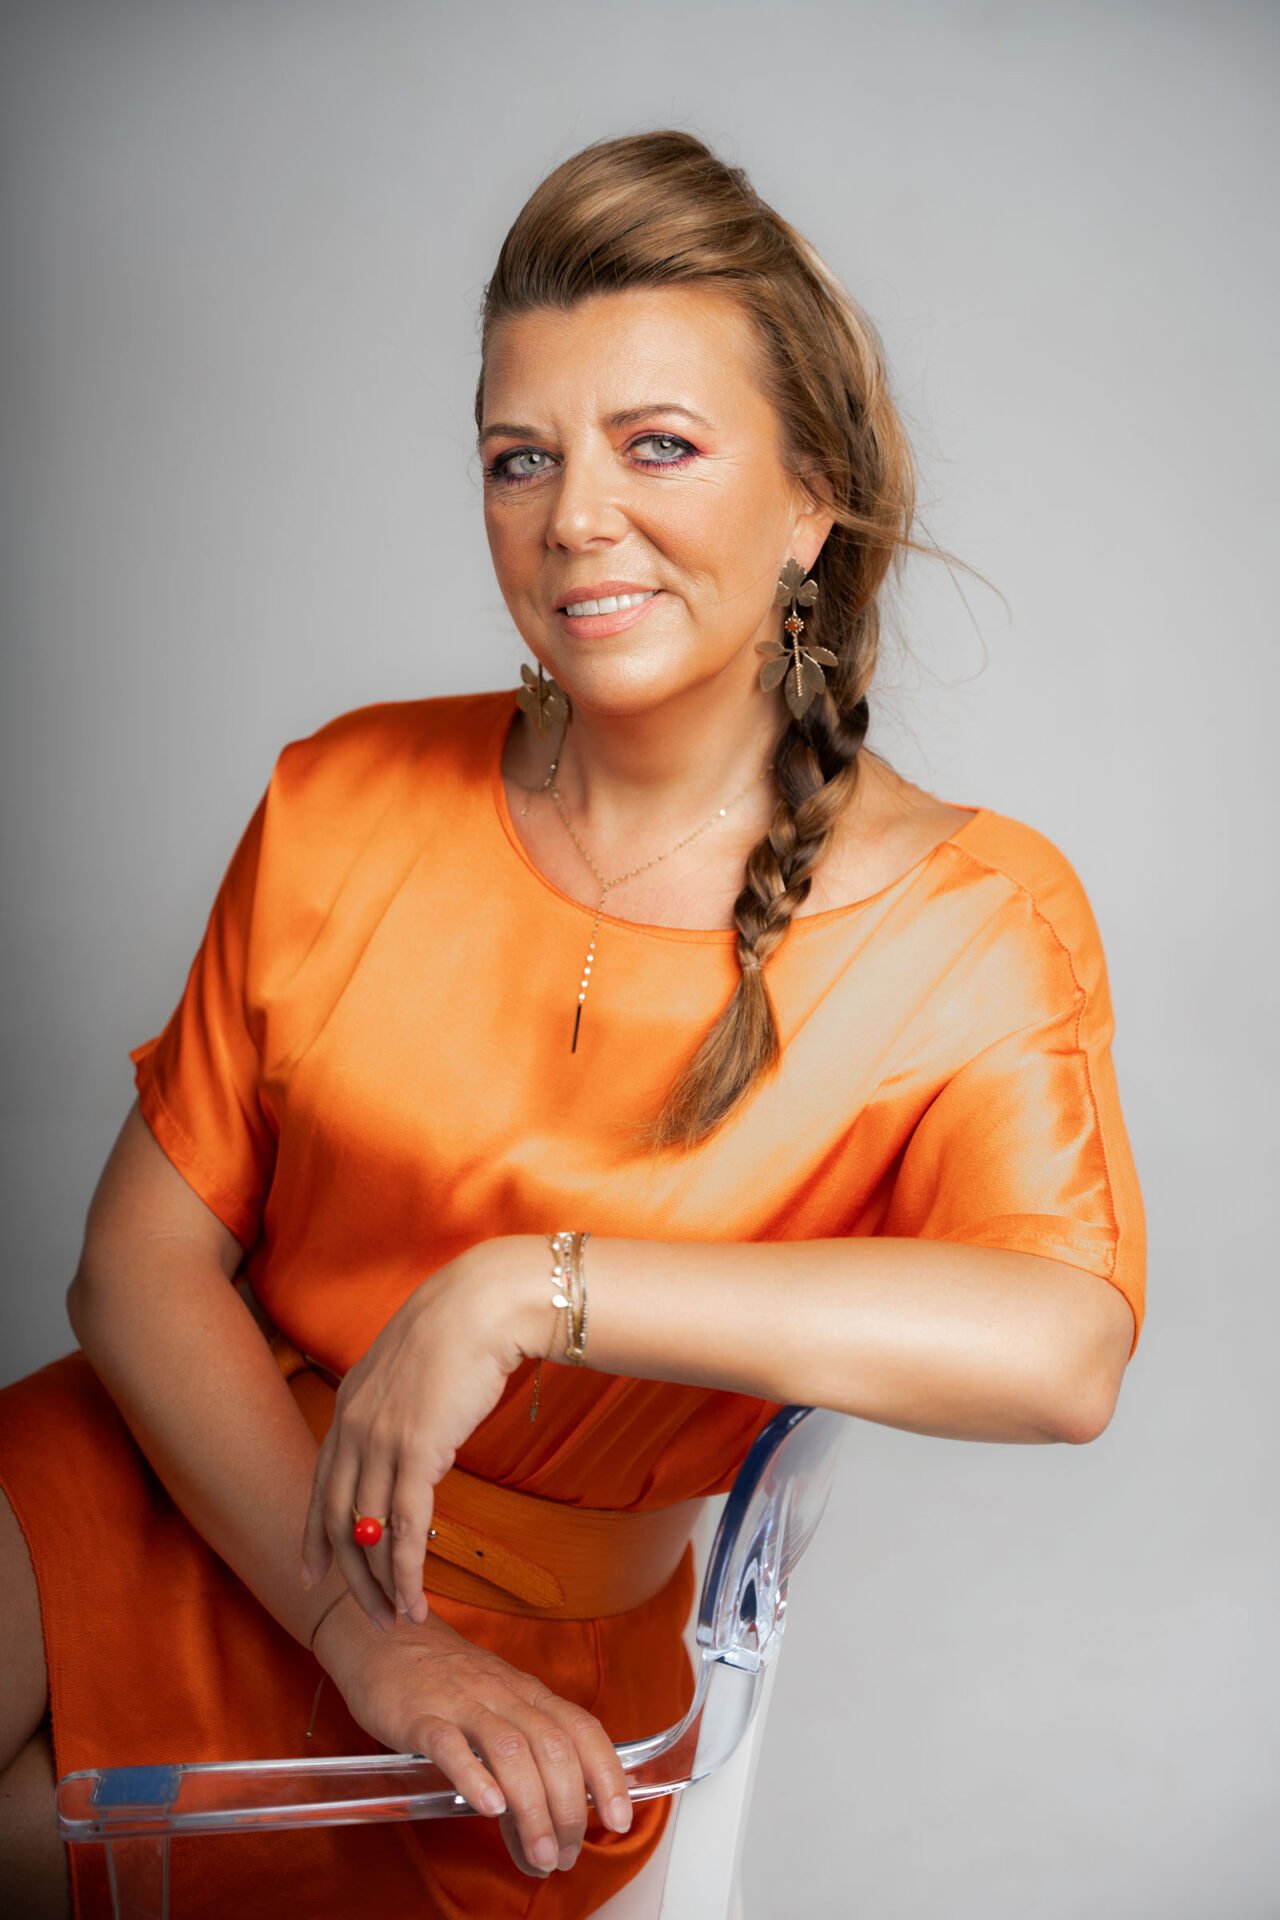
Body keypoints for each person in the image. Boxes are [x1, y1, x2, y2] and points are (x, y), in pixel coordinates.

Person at [0, 128, 1145, 1919]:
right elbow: (131, 1269)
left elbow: (1064, 1347)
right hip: (177, 1471)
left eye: (660, 447)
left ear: (812, 498)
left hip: (522, 1674)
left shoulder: (970, 917)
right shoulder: (345, 789)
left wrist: (542, 1286)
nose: (574, 519)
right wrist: (356, 1632)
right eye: (518, 459)